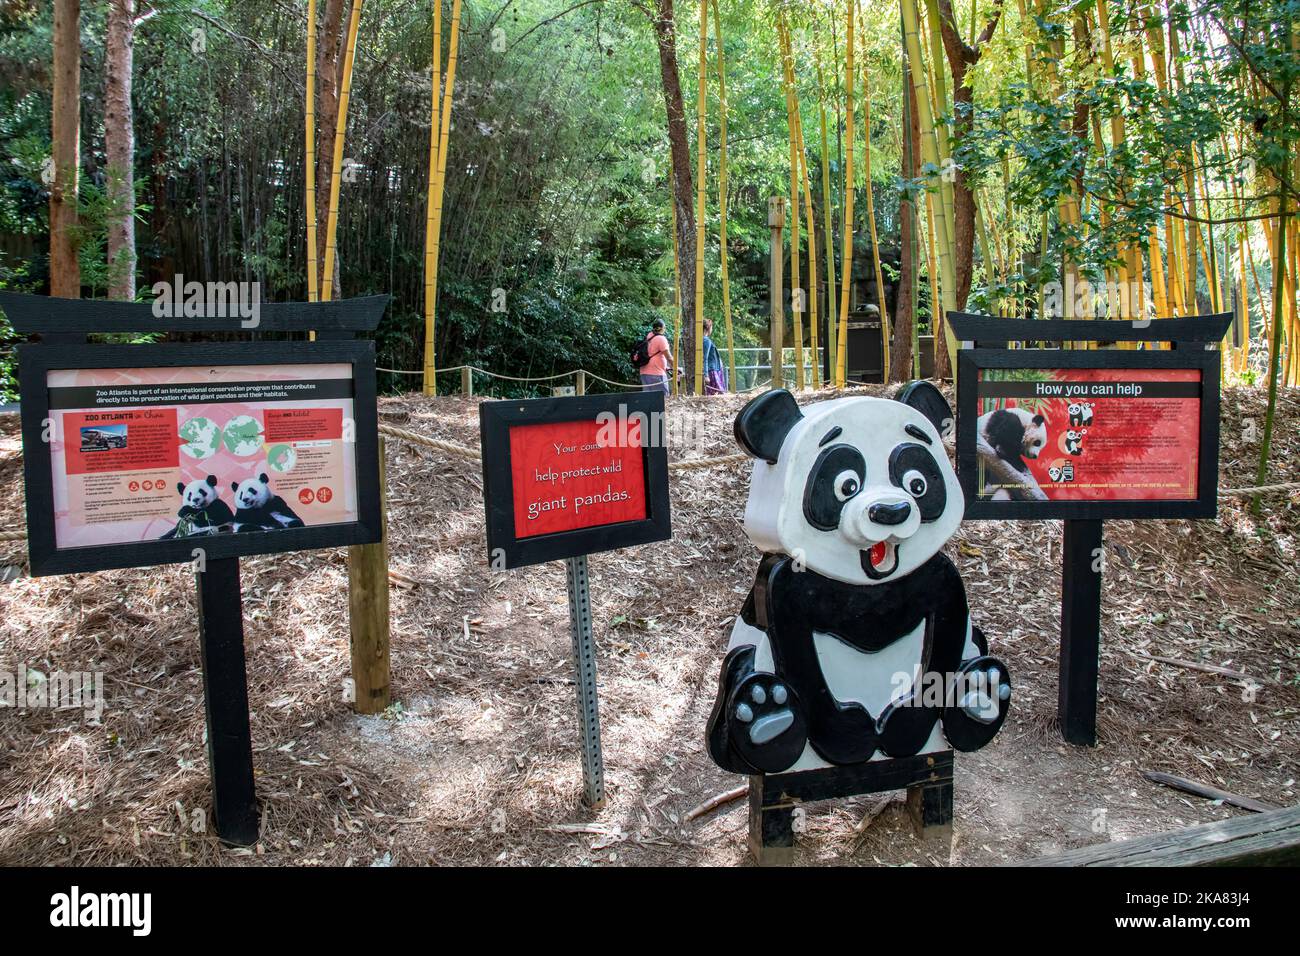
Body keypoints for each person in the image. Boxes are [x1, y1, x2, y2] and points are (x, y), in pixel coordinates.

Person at [640, 319, 673, 393]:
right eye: (665, 327)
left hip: (644, 372)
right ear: (661, 328)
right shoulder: (661, 339)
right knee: (663, 399)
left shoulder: (649, 336)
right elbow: (669, 358)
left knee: (648, 399)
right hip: (656, 373)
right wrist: (676, 367)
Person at [703, 318, 728, 395]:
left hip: (714, 369)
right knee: (716, 393)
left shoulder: (705, 339)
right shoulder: (705, 340)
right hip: (712, 370)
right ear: (708, 328)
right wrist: (706, 375)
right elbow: (705, 358)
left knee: (717, 393)